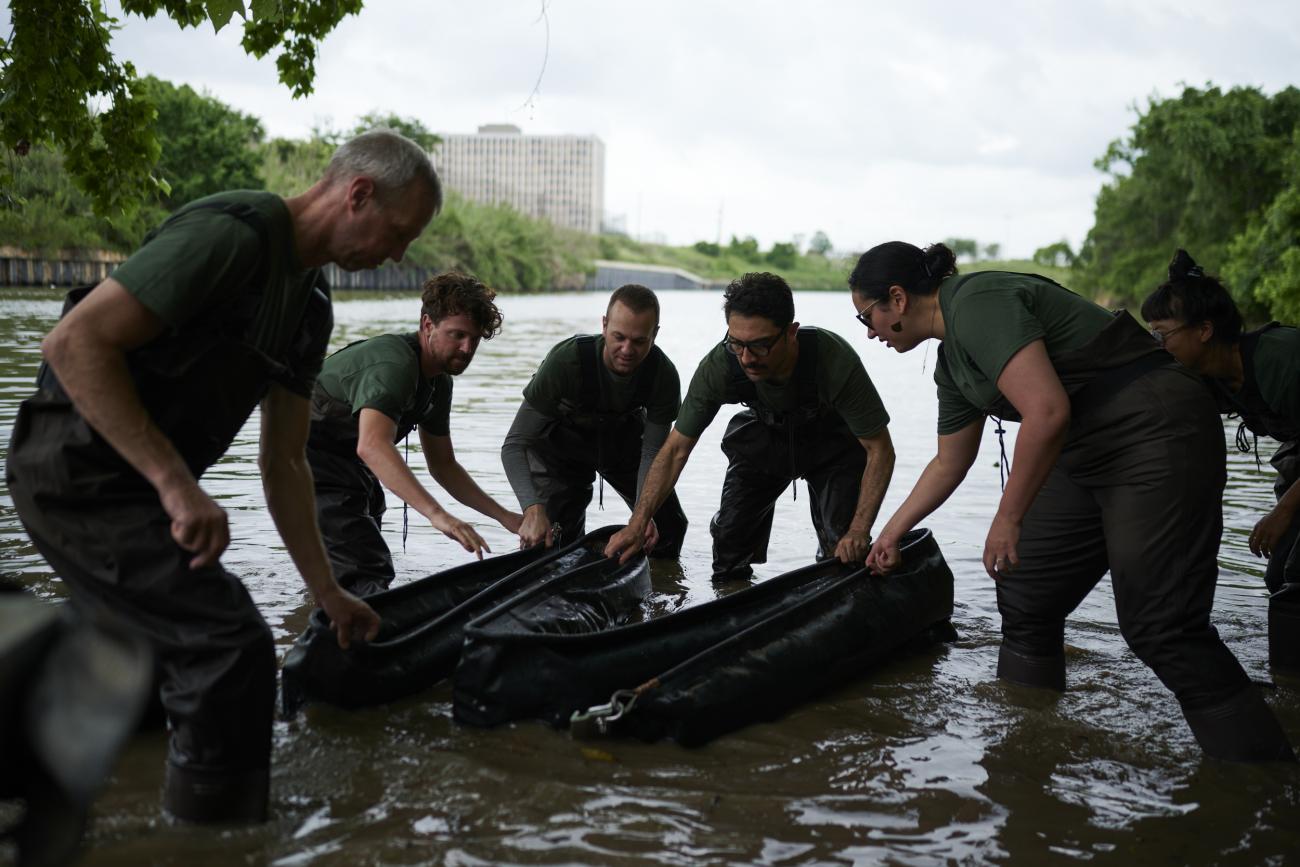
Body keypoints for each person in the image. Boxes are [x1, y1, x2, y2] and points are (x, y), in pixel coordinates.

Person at [4, 128, 439, 822]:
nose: (398, 253)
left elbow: (286, 460)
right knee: (230, 647)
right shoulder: (232, 234)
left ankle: (126, 816)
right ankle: (220, 840)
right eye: (399, 231)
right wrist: (177, 484)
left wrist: (327, 592)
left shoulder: (310, 306)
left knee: (148, 671)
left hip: (142, 494)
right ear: (358, 193)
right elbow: (75, 342)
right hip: (72, 473)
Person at [849, 240, 1293, 762]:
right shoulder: (952, 365)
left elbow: (1046, 411)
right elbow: (950, 461)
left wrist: (1008, 517)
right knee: (1027, 590)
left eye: (867, 317)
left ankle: (1262, 777)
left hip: (1154, 426)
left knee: (1161, 625)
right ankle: (1027, 745)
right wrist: (890, 533)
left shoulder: (977, 300)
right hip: (1084, 447)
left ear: (897, 299)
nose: (871, 332)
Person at [605, 272, 895, 580]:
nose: (746, 357)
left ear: (790, 333)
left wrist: (860, 530)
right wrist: (638, 524)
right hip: (764, 441)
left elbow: (880, 450)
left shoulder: (833, 359)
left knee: (843, 550)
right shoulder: (720, 365)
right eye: (737, 344)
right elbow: (676, 449)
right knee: (729, 546)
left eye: (760, 346)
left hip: (832, 448)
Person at [308, 271, 523, 596]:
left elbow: (444, 465)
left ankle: (314, 615)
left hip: (349, 463)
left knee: (352, 552)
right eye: (457, 335)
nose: (466, 349)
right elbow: (373, 444)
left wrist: (506, 518)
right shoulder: (395, 365)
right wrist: (440, 517)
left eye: (474, 339)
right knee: (367, 570)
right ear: (427, 325)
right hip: (307, 456)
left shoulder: (439, 384)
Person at [1141, 249, 1300, 671]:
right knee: (1280, 577)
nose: (1156, 345)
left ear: (1205, 330)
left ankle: (1288, 688)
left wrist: (1284, 511)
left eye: (1162, 334)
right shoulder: (1212, 381)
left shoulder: (1280, 357)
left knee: (1297, 581)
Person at [501, 284, 688, 554]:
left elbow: (653, 453)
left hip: (624, 447)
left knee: (667, 525)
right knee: (550, 539)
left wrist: (641, 516)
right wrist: (532, 508)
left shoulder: (663, 376)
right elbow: (515, 444)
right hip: (561, 453)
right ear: (604, 325)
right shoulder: (566, 361)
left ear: (655, 335)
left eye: (639, 341)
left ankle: (662, 590)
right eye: (618, 337)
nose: (626, 350)